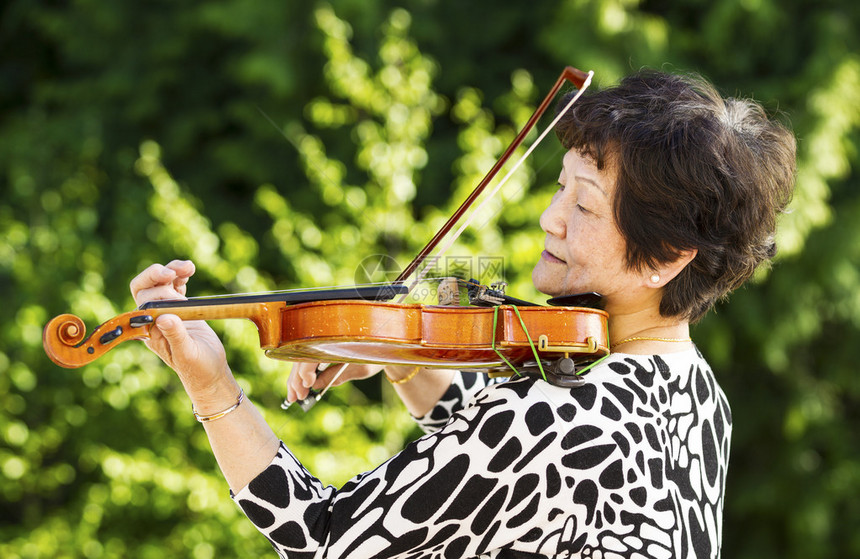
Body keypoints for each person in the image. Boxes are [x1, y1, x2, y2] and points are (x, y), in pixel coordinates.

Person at [130, 69, 795, 558]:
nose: (550, 217)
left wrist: (212, 386)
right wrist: (400, 354)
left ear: (667, 256)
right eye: (560, 185)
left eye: (585, 206)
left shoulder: (552, 418)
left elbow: (325, 537)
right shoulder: (700, 396)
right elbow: (502, 480)